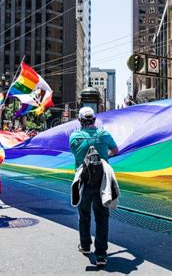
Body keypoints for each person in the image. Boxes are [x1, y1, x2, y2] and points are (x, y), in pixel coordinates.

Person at [69, 107, 119, 267]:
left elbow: (75, 153)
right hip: (102, 183)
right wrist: (105, 155)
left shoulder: (74, 136)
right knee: (102, 218)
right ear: (95, 120)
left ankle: (85, 246)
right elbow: (115, 150)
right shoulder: (104, 135)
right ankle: (101, 255)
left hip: (83, 181)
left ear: (80, 121)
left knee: (84, 215)